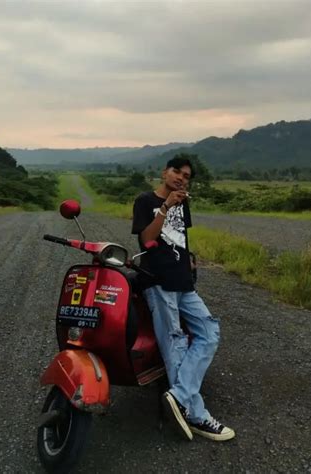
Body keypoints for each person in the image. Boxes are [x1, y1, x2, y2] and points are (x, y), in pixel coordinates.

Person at [131, 156, 235, 442]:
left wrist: (188, 259)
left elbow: (179, 237)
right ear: (164, 172)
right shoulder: (145, 201)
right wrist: (165, 207)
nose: (181, 178)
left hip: (183, 283)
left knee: (209, 331)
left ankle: (177, 396)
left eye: (187, 176)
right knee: (175, 343)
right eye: (177, 171)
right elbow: (147, 240)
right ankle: (197, 415)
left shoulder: (183, 203)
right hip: (157, 281)